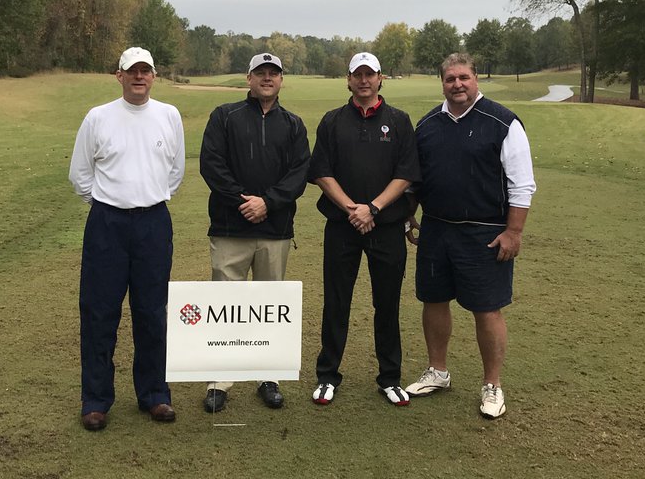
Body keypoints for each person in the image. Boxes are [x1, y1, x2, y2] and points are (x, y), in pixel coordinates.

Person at [405, 52, 536, 418]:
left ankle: (492, 384)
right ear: (442, 83)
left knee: (486, 309)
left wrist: (514, 231)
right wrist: (409, 217)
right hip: (436, 228)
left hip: (486, 233)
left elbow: (522, 185)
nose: (457, 84)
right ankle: (438, 371)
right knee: (433, 300)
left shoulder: (503, 122)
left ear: (475, 79)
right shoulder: (428, 124)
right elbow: (416, 180)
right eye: (450, 79)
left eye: (464, 77)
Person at [69, 47, 186, 430]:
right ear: (118, 75)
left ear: (154, 75)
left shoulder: (169, 116)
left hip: (153, 223)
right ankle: (96, 399)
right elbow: (81, 176)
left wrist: (143, 201)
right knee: (99, 311)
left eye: (146, 71)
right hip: (107, 224)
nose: (139, 77)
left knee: (152, 311)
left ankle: (154, 394)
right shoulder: (98, 117)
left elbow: (175, 173)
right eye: (131, 71)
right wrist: (112, 204)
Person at [198, 52, 310, 412]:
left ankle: (268, 375)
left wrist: (268, 203)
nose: (267, 78)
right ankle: (220, 379)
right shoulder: (224, 116)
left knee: (269, 306)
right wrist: (242, 201)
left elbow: (298, 174)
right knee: (225, 306)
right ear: (249, 79)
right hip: (231, 227)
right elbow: (211, 165)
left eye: (273, 73)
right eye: (260, 73)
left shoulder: (293, 124)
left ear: (281, 80)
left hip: (274, 230)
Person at [308, 52, 420, 406]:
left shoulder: (399, 121)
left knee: (386, 303)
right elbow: (323, 173)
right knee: (336, 302)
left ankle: (389, 377)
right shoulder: (332, 121)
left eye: (370, 74)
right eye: (357, 74)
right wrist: (353, 209)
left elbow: (405, 174)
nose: (364, 80)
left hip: (385, 226)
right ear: (349, 79)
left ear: (380, 78)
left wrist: (373, 208)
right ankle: (328, 375)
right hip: (342, 226)